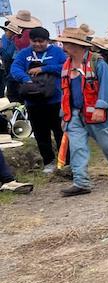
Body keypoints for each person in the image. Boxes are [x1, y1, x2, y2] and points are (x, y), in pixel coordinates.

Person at [56, 27, 108, 197]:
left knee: (107, 145)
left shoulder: (98, 63)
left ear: (76, 45)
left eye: (66, 43)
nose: (63, 46)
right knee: (77, 147)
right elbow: (65, 91)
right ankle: (81, 182)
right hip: (74, 113)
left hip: (95, 112)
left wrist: (100, 107)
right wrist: (64, 114)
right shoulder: (66, 65)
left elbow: (106, 87)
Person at [11, 27, 67, 173]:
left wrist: (44, 69)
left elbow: (65, 67)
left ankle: (66, 161)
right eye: (34, 41)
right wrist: (25, 79)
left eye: (41, 41)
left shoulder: (56, 52)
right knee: (41, 134)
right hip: (33, 100)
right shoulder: (24, 54)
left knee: (60, 131)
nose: (37, 44)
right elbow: (15, 68)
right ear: (30, 41)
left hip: (54, 99)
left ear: (47, 41)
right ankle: (48, 161)